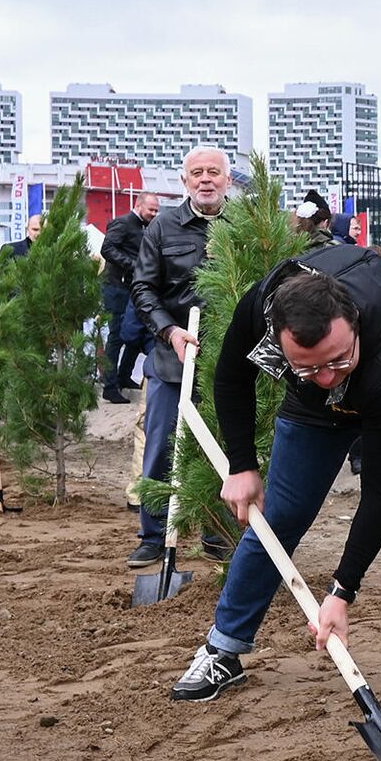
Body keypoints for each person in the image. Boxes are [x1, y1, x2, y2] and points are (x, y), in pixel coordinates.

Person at [167, 241, 381, 729]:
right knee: (283, 513)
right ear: (280, 337)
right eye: (308, 366)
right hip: (315, 415)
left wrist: (341, 592)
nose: (327, 377)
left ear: (353, 324)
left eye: (336, 360)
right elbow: (230, 376)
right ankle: (223, 649)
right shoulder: (266, 303)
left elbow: (380, 490)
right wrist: (242, 466)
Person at [129, 146, 235, 568]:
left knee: (221, 450)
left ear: (228, 180)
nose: (205, 179)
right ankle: (153, 535)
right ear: (184, 181)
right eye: (197, 173)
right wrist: (170, 332)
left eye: (214, 172)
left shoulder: (243, 227)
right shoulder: (165, 227)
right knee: (161, 448)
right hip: (173, 360)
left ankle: (216, 532)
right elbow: (143, 288)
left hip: (227, 363)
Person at [100, 193, 160, 404]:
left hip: (134, 288)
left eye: (156, 210)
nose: (154, 214)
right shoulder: (123, 223)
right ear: (139, 205)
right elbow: (107, 249)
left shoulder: (146, 227)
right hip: (117, 288)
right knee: (116, 336)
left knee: (135, 334)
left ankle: (124, 376)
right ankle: (109, 385)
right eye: (151, 209)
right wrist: (134, 266)